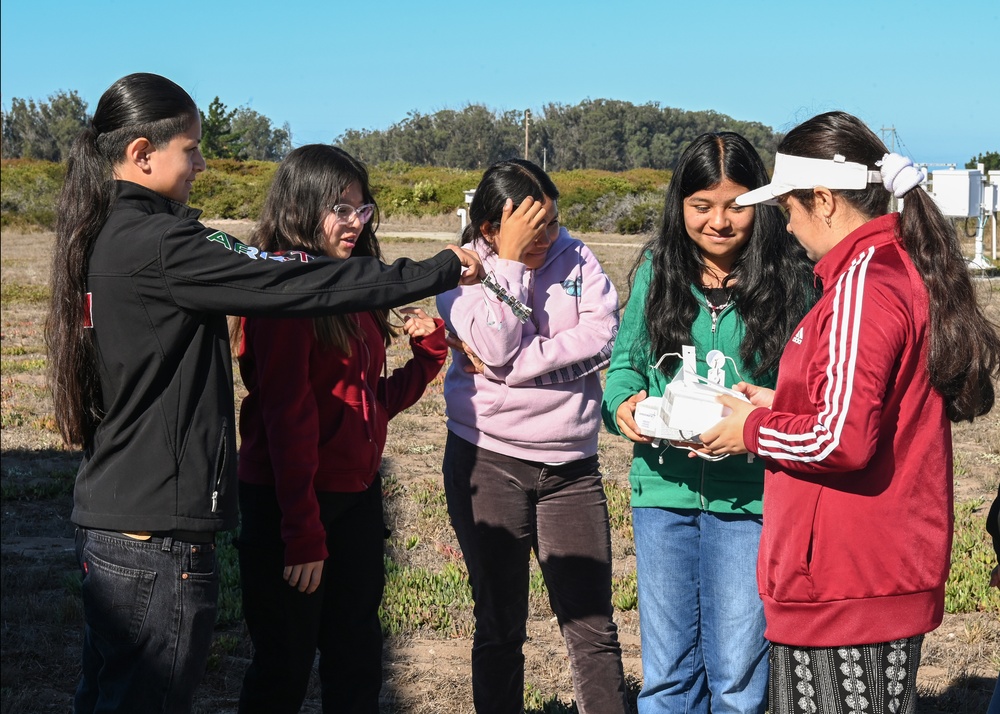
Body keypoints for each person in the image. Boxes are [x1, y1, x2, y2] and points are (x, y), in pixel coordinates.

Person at [45, 73, 482, 714]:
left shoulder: (113, 236)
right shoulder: (162, 244)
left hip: (119, 521)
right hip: (153, 536)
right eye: (190, 149)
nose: (200, 163)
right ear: (142, 153)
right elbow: (291, 283)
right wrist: (440, 268)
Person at [697, 111, 1000, 714]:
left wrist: (750, 431)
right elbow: (861, 407)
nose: (786, 225)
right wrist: (776, 403)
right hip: (863, 574)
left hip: (846, 579)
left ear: (825, 201)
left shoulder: (864, 283)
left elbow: (841, 439)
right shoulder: (886, 270)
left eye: (789, 209)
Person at [601, 132, 816, 714]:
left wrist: (761, 417)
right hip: (662, 491)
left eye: (737, 204)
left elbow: (805, 392)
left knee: (737, 678)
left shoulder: (793, 278)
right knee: (668, 675)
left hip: (749, 500)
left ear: (763, 205)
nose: (719, 221)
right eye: (702, 205)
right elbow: (624, 366)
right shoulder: (656, 270)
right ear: (680, 206)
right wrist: (623, 406)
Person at [231, 144, 448, 713]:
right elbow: (287, 420)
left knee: (356, 662)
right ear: (302, 209)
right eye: (340, 209)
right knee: (284, 667)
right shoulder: (285, 294)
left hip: (354, 500)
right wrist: (302, 533)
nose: (355, 223)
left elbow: (364, 406)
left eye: (363, 208)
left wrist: (426, 360)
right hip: (291, 504)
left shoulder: (353, 289)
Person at [436, 159, 629, 714]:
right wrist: (514, 264)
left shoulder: (577, 255)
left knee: (592, 624)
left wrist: (522, 366)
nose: (548, 236)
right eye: (531, 227)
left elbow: (602, 336)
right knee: (499, 623)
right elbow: (494, 347)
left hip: (571, 463)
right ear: (492, 228)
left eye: (552, 221)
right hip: (486, 458)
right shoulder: (465, 270)